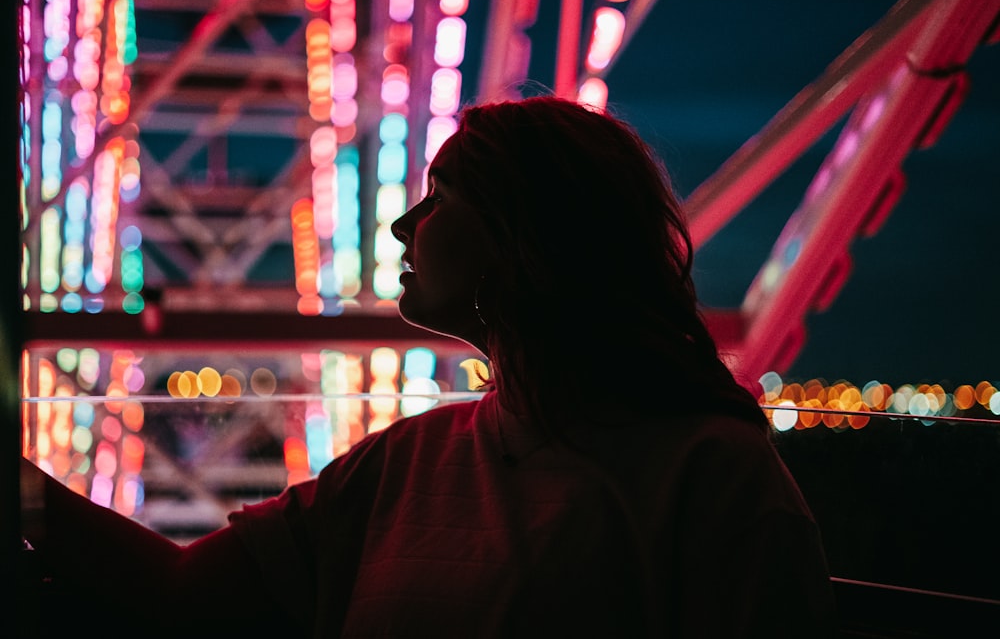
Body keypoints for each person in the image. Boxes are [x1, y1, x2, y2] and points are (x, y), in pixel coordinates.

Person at [19, 95, 837, 637]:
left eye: (441, 196)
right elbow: (183, 594)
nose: (404, 226)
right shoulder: (405, 461)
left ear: (530, 233)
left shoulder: (713, 480)